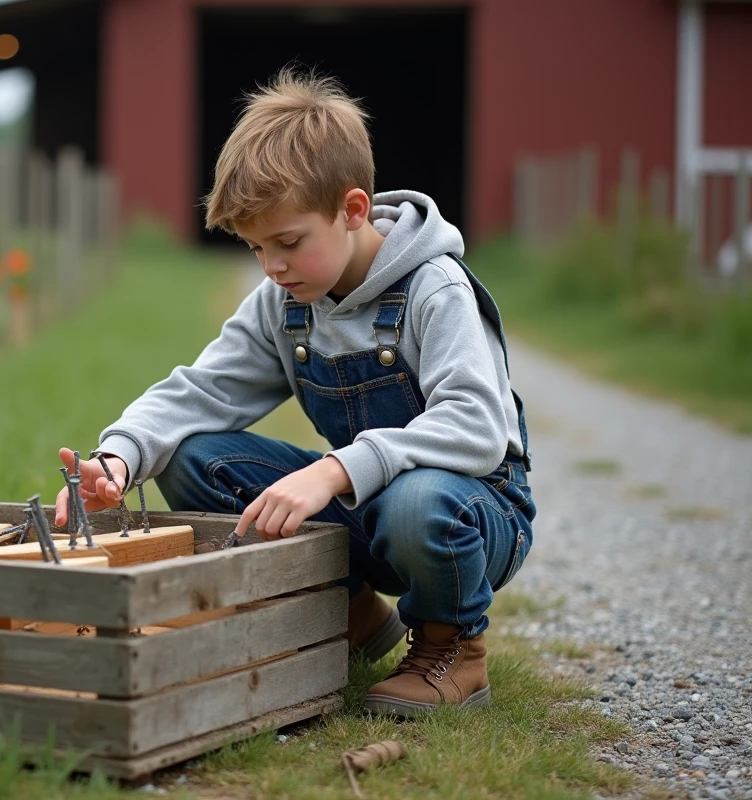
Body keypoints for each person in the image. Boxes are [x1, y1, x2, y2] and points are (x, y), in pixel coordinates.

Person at [53, 68, 535, 717]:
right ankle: (350, 617)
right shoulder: (284, 302)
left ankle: (452, 651)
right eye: (255, 247)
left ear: (354, 209)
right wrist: (120, 457)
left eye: (288, 242)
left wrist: (336, 468)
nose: (272, 266)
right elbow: (201, 391)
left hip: (471, 516)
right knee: (194, 455)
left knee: (419, 499)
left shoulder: (435, 289)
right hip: (370, 510)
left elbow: (478, 426)